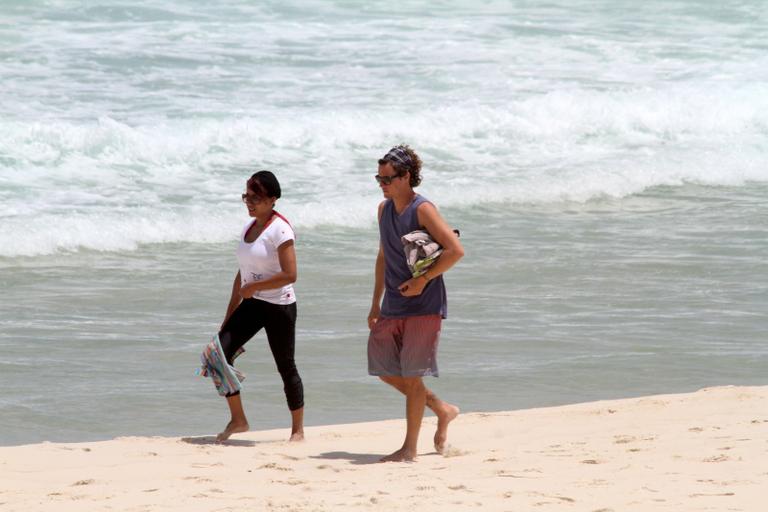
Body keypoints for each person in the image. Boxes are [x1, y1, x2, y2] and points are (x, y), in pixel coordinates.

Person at [367, 145, 464, 462]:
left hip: (424, 304)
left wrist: (423, 280)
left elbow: (455, 250)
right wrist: (375, 302)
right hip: (393, 303)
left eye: (387, 178)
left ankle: (409, 449)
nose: (382, 184)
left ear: (406, 177)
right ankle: (441, 409)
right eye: (379, 178)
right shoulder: (383, 210)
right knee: (383, 368)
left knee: (412, 375)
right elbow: (383, 256)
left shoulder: (423, 210)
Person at [213, 170, 304, 442]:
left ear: (272, 199)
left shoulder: (280, 229)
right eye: (246, 196)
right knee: (218, 354)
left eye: (256, 197)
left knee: (285, 367)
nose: (250, 202)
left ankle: (297, 430)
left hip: (280, 306)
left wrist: (254, 288)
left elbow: (291, 274)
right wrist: (229, 314)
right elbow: (242, 273)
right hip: (253, 304)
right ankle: (238, 420)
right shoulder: (248, 228)